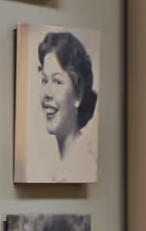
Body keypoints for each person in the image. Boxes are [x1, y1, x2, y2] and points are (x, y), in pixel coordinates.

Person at [34, 29, 98, 182]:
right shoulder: (59, 165)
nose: (47, 93)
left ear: (78, 95)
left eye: (57, 81)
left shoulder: (84, 168)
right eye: (44, 80)